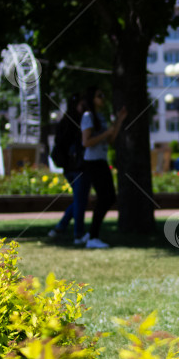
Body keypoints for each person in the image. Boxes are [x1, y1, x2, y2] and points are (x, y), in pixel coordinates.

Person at [80, 86, 127, 249]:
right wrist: (107, 133)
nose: (103, 98)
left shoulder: (100, 116)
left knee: (108, 198)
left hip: (100, 160)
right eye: (100, 95)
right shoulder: (88, 116)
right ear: (92, 98)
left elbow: (110, 139)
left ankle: (91, 234)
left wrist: (119, 121)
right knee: (106, 198)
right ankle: (92, 236)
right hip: (93, 162)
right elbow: (86, 142)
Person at [48, 93, 90, 244]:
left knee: (80, 200)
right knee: (80, 201)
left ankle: (60, 227)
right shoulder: (80, 122)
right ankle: (78, 234)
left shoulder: (63, 122)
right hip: (78, 167)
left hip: (68, 168)